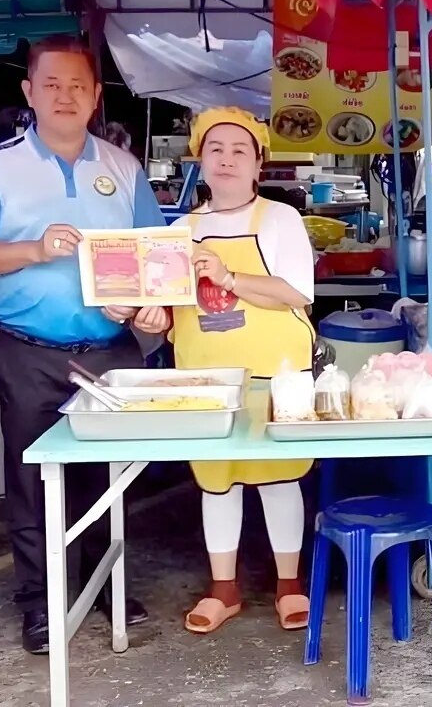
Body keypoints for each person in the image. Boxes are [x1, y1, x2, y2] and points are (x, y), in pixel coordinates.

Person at [0, 35, 165, 656]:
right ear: (29, 94)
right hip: (30, 350)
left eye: (78, 86)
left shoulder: (124, 169)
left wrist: (152, 305)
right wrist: (33, 249)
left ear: (97, 96)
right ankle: (41, 603)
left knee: (112, 480)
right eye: (52, 85)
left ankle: (110, 585)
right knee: (33, 479)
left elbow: (156, 254)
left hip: (111, 350)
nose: (65, 96)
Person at [135, 107, 315, 634]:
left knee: (280, 478)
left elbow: (297, 293)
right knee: (217, 482)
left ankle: (289, 585)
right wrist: (152, 314)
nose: (227, 159)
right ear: (199, 161)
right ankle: (224, 587)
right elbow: (167, 309)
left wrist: (230, 276)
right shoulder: (180, 230)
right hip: (206, 379)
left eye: (241, 150)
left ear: (260, 164)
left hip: (274, 375)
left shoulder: (281, 219)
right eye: (216, 149)